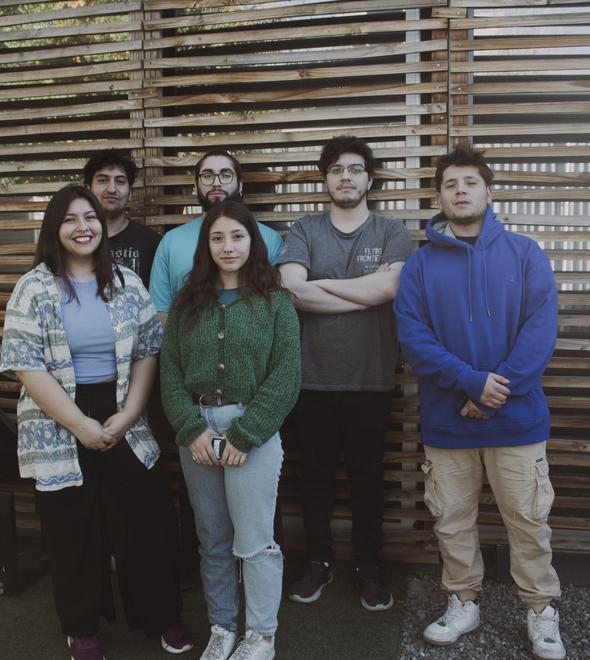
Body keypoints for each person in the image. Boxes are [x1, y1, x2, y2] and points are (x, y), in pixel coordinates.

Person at [0, 185, 193, 660]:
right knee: (72, 528)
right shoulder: (34, 287)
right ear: (54, 228)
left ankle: (162, 615)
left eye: (89, 217)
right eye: (70, 219)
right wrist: (80, 425)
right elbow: (26, 365)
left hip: (122, 407)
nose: (82, 227)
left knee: (150, 518)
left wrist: (128, 415)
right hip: (56, 416)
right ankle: (81, 629)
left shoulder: (126, 282)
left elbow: (147, 350)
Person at [393, 145, 565, 660]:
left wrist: (493, 395)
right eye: (450, 184)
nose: (460, 191)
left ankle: (540, 608)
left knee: (528, 521)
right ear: (439, 197)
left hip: (517, 420)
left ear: (489, 192)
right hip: (448, 422)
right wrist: (470, 383)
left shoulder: (525, 253)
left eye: (470, 182)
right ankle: (463, 600)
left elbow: (540, 331)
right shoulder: (421, 264)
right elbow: (413, 337)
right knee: (451, 519)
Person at [160, 200, 301, 660]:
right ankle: (222, 627)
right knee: (213, 540)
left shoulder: (276, 302)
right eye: (217, 237)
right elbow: (170, 372)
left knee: (255, 540)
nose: (228, 246)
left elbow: (286, 374)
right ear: (206, 245)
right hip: (198, 433)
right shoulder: (186, 303)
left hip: (252, 430)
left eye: (237, 236)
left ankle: (260, 635)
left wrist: (246, 433)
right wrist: (189, 429)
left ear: (252, 241)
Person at [278, 136, 413, 611]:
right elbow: (293, 290)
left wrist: (324, 287)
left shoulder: (392, 231)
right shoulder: (304, 229)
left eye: (355, 169)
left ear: (369, 179)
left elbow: (390, 289)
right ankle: (317, 561)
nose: (346, 177)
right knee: (314, 477)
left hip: (370, 378)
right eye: (336, 169)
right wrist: (364, 292)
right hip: (311, 379)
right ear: (326, 179)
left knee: (367, 479)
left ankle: (368, 566)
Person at [149, 150, 283, 323]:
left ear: (240, 185)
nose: (216, 183)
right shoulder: (171, 241)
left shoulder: (269, 238)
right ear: (195, 185)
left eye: (226, 175)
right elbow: (160, 311)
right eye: (207, 176)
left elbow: (279, 308)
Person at [84, 149, 161, 288]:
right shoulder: (76, 240)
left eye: (120, 181)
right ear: (88, 189)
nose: (112, 189)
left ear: (130, 193)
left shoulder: (152, 243)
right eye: (103, 180)